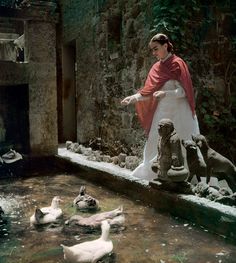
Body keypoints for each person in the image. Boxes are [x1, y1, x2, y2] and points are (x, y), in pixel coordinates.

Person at [121, 33, 200, 181]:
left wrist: (166, 93)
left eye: (156, 49)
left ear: (165, 46)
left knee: (183, 142)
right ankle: (152, 174)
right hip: (162, 112)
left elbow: (184, 92)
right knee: (154, 141)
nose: (154, 53)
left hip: (179, 112)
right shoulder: (156, 67)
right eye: (152, 50)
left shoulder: (177, 63)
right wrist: (133, 98)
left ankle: (186, 177)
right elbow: (149, 91)